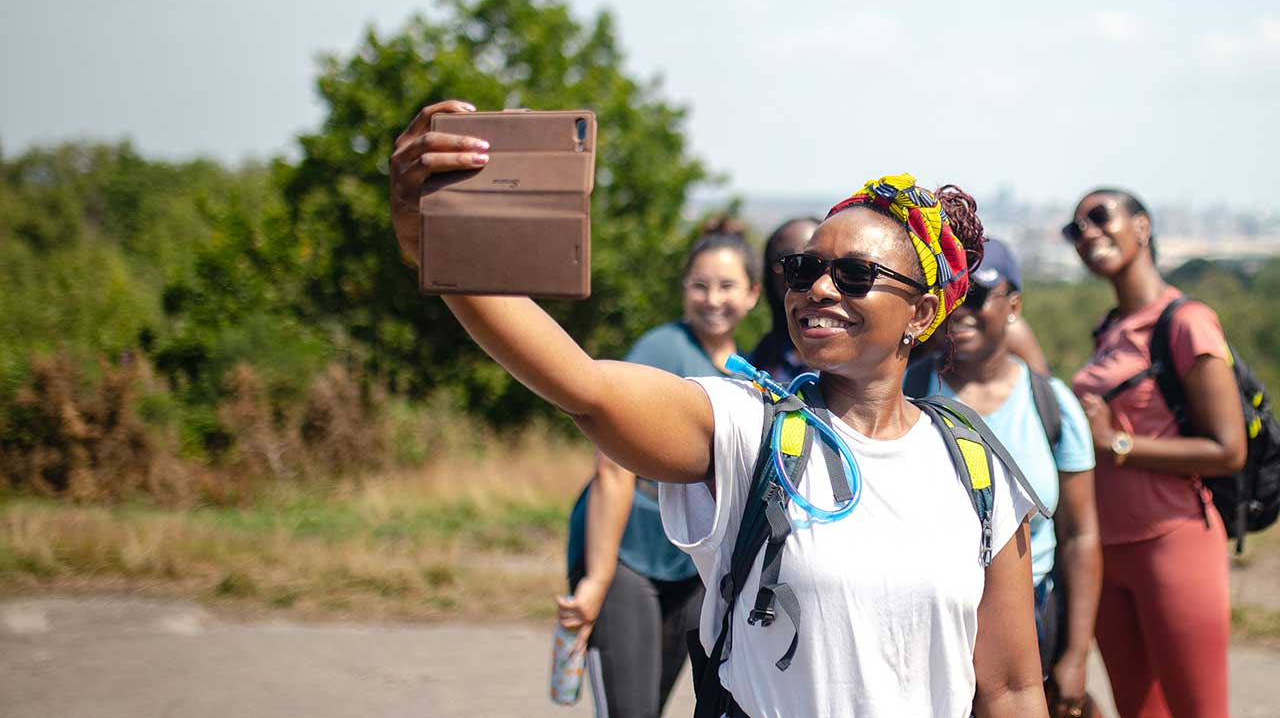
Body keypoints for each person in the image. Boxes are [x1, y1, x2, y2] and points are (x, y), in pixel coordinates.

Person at [389, 100, 1048, 717]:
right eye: (803, 269)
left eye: (852, 276)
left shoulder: (973, 466)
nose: (817, 288)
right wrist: (434, 238)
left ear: (923, 314)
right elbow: (581, 386)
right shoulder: (745, 427)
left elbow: (1012, 688)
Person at [560, 225, 761, 718]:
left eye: (727, 286)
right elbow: (612, 467)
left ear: (754, 294)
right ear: (683, 290)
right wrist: (597, 579)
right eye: (699, 285)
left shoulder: (746, 371)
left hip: (691, 568)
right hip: (629, 555)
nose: (712, 299)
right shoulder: (661, 349)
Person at [1067, 188, 1245, 718]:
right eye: (1075, 230)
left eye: (1101, 218)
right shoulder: (1109, 329)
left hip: (1173, 543)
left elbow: (1227, 449)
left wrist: (1118, 444)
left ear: (1142, 227)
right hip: (1105, 552)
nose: (1088, 234)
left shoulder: (1187, 321)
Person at [904, 239, 1102, 717]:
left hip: (1031, 622)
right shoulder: (902, 393)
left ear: (1013, 305)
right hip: (927, 622)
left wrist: (1075, 655)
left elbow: (1080, 535)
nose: (961, 311)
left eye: (975, 295)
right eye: (949, 296)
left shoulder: (1051, 403)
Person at [750, 217, 819, 382]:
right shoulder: (764, 355)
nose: (800, 271)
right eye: (787, 261)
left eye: (808, 261)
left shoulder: (859, 358)